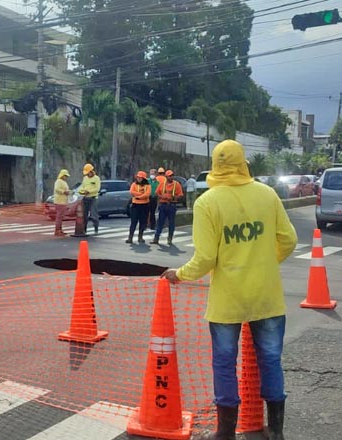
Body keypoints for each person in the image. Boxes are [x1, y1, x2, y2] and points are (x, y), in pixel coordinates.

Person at [161, 140, 297, 440]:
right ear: (243, 161)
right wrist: (264, 261)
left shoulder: (207, 202)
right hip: (267, 295)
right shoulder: (267, 194)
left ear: (216, 164)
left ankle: (225, 432)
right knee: (271, 360)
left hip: (227, 300)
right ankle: (275, 431)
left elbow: (206, 258)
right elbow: (288, 239)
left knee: (224, 362)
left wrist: (180, 274)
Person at [151, 170, 184, 245]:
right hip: (163, 205)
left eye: (172, 175)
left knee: (171, 223)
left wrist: (174, 197)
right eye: (169, 176)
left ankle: (170, 239)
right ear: (166, 176)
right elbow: (157, 193)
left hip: (172, 205)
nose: (171, 177)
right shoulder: (162, 184)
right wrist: (162, 196)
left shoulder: (177, 184)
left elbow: (181, 195)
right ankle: (156, 238)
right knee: (160, 223)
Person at [126, 171, 151, 244]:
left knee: (142, 222)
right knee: (133, 222)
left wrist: (138, 196)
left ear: (143, 178)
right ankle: (130, 237)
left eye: (140, 177)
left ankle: (140, 237)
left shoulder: (147, 185)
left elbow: (147, 194)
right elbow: (131, 191)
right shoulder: (134, 184)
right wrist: (140, 194)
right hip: (135, 205)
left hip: (144, 205)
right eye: (138, 177)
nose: (138, 179)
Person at [78, 163, 101, 234]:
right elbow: (82, 187)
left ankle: (96, 228)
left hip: (93, 198)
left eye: (88, 173)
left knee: (94, 215)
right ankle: (84, 229)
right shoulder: (85, 178)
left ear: (91, 171)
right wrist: (81, 191)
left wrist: (89, 192)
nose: (88, 174)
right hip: (85, 198)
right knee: (84, 215)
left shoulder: (96, 178)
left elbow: (97, 189)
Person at [53, 169, 71, 237]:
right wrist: (64, 192)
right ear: (62, 175)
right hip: (59, 201)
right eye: (65, 176)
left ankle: (60, 230)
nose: (66, 177)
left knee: (61, 216)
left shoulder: (64, 182)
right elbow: (57, 189)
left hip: (63, 201)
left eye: (66, 176)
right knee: (59, 216)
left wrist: (68, 191)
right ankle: (57, 230)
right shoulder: (58, 181)